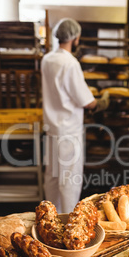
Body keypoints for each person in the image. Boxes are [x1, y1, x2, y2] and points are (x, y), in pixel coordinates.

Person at [41, 18, 109, 213]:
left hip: (52, 131)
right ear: (75, 38)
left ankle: (52, 222)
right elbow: (87, 101)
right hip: (69, 133)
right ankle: (70, 225)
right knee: (69, 182)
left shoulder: (47, 60)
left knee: (53, 180)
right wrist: (102, 102)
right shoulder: (70, 63)